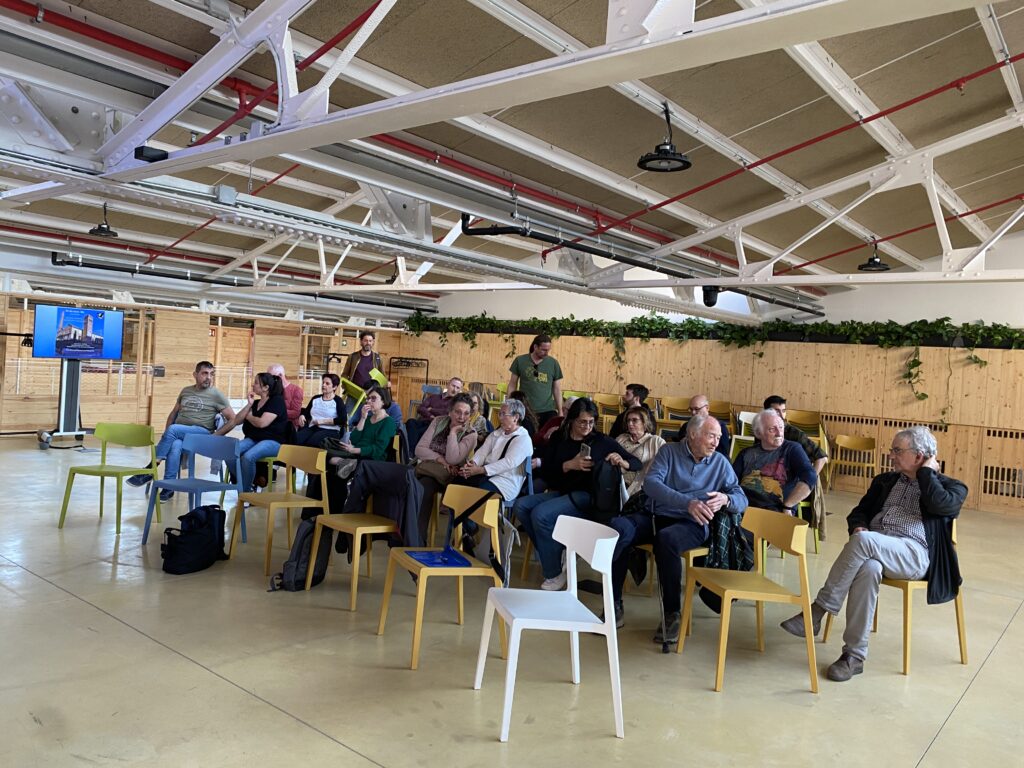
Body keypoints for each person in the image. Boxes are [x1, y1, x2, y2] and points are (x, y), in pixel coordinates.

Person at [780, 426, 966, 682]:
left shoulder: (952, 487)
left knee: (864, 542)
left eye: (897, 450)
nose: (891, 455)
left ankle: (817, 611)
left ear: (919, 456)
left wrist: (926, 473)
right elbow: (860, 511)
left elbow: (939, 504)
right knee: (869, 568)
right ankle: (854, 656)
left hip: (914, 555)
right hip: (876, 548)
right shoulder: (885, 481)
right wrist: (859, 526)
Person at [606, 414, 747, 635]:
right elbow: (651, 484)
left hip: (692, 523)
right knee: (619, 529)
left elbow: (741, 498)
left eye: (718, 437)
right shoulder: (669, 452)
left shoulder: (720, 462)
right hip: (655, 516)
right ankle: (613, 604)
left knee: (667, 539)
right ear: (693, 434)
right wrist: (687, 502)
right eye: (711, 436)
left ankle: (672, 613)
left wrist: (726, 499)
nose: (716, 442)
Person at [513, 398, 642, 591]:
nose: (587, 427)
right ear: (572, 419)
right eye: (582, 422)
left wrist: (623, 462)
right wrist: (568, 465)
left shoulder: (601, 441)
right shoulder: (559, 437)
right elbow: (545, 468)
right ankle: (555, 551)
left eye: (591, 422)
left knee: (540, 515)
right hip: (563, 492)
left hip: (588, 497)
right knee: (521, 505)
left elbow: (636, 463)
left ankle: (554, 573)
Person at [127, 360, 235, 502]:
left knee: (173, 430)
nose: (208, 377)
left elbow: (233, 419)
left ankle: (151, 468)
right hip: (182, 433)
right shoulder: (186, 391)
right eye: (204, 373)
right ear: (195, 374)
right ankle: (169, 487)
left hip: (202, 433)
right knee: (175, 445)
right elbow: (173, 414)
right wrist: (167, 436)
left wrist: (215, 436)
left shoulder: (216, 395)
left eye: (211, 374)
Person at [413, 393, 477, 542]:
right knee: (412, 485)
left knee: (423, 487)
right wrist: (440, 459)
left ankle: (417, 540)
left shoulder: (471, 434)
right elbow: (419, 449)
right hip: (430, 468)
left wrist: (453, 433)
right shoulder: (438, 421)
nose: (462, 417)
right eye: (458, 412)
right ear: (450, 411)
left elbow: (453, 459)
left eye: (466, 413)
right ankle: (409, 534)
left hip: (450, 476)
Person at [733, 409, 815, 515]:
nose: (779, 433)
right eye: (772, 429)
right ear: (758, 433)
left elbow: (810, 476)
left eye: (781, 427)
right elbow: (731, 482)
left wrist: (788, 505)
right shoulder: (746, 453)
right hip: (743, 508)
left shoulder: (792, 449)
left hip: (775, 512)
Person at [457, 398, 533, 503]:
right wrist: (472, 464)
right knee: (458, 483)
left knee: (476, 496)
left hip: (505, 482)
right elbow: (482, 452)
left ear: (516, 417)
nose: (500, 418)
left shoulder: (523, 439)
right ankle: (453, 513)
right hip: (485, 474)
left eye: (503, 414)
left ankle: (469, 514)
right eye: (499, 414)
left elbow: (508, 462)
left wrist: (480, 470)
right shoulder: (497, 433)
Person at [226, 372, 290, 492]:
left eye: (256, 383)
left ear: (265, 388)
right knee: (229, 453)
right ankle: (247, 486)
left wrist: (249, 416)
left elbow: (261, 423)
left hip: (273, 442)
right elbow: (237, 420)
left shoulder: (277, 401)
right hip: (254, 439)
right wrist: (248, 405)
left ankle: (245, 492)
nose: (252, 385)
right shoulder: (255, 403)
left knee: (248, 457)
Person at [615, 405, 666, 511]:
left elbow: (665, 465)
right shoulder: (621, 438)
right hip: (616, 483)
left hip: (638, 490)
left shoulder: (656, 441)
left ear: (644, 422)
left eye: (634, 420)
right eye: (628, 421)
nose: (630, 424)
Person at [763, 395, 828, 475]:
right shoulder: (761, 431)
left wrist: (810, 480)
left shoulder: (795, 434)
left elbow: (821, 457)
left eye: (783, 411)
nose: (781, 415)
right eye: (777, 411)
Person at [508, 334, 563, 426]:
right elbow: (512, 385)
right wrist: (509, 404)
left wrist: (560, 411)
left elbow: (557, 389)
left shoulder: (553, 363)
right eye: (543, 350)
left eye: (548, 350)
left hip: (548, 410)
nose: (546, 353)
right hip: (525, 409)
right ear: (535, 347)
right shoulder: (520, 361)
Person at [334, 385, 397, 464]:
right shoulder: (367, 419)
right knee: (328, 456)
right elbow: (353, 440)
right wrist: (363, 418)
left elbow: (378, 450)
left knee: (334, 460)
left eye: (373, 398)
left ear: (383, 401)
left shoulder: (388, 422)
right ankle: (347, 464)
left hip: (372, 460)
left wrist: (354, 450)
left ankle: (348, 464)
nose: (369, 401)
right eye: (368, 398)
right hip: (357, 454)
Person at [406, 377, 463, 448]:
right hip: (423, 421)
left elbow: (446, 413)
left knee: (418, 432)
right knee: (410, 422)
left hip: (436, 426)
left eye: (457, 388)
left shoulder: (455, 403)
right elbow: (420, 408)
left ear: (459, 390)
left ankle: (411, 452)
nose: (455, 389)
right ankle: (411, 452)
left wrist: (431, 409)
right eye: (453, 386)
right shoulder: (434, 397)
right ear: (448, 385)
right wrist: (430, 416)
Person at [295, 373, 347, 447]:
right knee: (296, 439)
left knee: (312, 442)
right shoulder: (315, 398)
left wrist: (322, 421)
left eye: (327, 383)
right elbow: (306, 412)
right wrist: (302, 416)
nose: (323, 385)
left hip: (331, 430)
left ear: (334, 387)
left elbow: (343, 419)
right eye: (323, 383)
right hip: (314, 427)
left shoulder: (338, 401)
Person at [684, 394, 731, 459]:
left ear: (707, 408)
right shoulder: (685, 426)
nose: (693, 412)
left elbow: (724, 453)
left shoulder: (720, 427)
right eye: (691, 409)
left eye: (696, 409)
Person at [267, 363, 304, 429]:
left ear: (280, 375)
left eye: (271, 377)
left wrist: (276, 411)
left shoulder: (297, 390)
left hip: (289, 426)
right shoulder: (271, 389)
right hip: (272, 422)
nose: (268, 380)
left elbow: (295, 413)